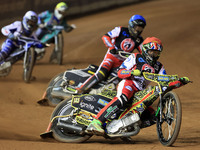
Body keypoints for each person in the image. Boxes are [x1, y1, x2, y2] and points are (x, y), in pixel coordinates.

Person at [86, 37, 190, 135]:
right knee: (122, 99)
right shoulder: (135, 57)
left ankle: (125, 130)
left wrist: (178, 82)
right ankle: (96, 122)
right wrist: (132, 72)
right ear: (145, 50)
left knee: (152, 116)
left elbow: (164, 83)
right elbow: (120, 72)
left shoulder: (159, 66)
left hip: (140, 91)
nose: (153, 55)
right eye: (151, 52)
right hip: (128, 84)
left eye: (156, 53)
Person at [76, 14, 146, 93]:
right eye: (137, 27)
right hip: (111, 57)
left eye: (140, 28)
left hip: (122, 63)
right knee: (101, 74)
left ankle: (101, 94)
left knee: (117, 80)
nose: (138, 30)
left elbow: (143, 53)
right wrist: (111, 47)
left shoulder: (139, 40)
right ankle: (80, 90)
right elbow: (106, 37)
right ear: (131, 25)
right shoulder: (121, 30)